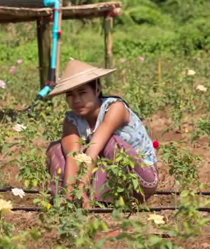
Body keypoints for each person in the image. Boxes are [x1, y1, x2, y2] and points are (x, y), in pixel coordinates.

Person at [44, 59, 158, 207]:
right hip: (102, 179)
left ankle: (97, 200)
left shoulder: (114, 108)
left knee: (109, 144)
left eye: (83, 92)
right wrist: (71, 191)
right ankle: (65, 199)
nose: (77, 100)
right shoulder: (71, 120)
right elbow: (72, 156)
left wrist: (81, 187)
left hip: (141, 180)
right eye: (70, 94)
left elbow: (93, 150)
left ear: (97, 90)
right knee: (58, 148)